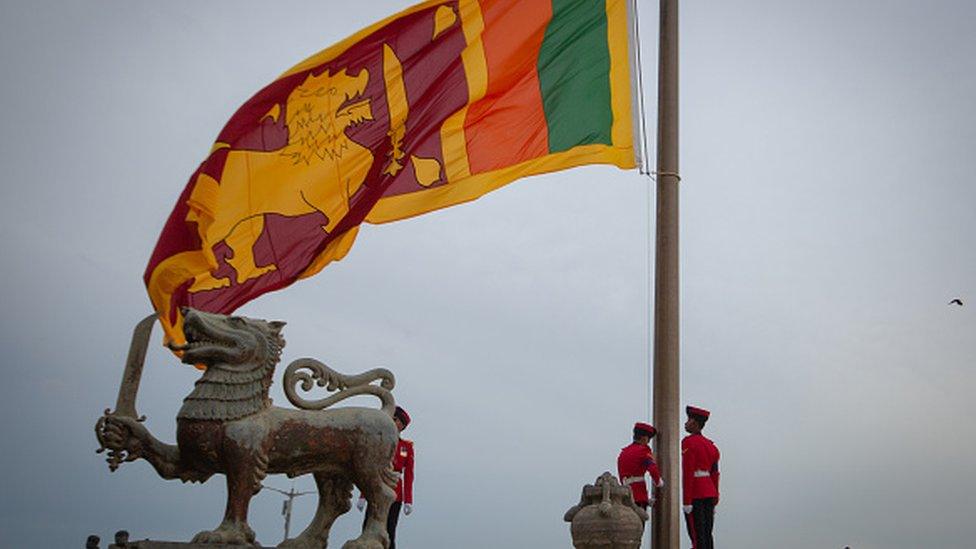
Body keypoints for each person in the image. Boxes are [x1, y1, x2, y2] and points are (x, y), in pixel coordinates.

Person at [358, 405, 414, 549]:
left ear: (402, 425)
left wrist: (408, 500)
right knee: (368, 527)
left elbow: (409, 474)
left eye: (396, 420)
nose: (393, 422)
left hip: (396, 493)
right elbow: (371, 469)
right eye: (392, 418)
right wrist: (363, 495)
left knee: (389, 530)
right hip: (377, 489)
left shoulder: (406, 447)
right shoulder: (380, 442)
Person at [682, 405, 720, 549]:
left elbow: (688, 471)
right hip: (710, 493)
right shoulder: (712, 446)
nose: (686, 423)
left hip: (696, 494)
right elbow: (715, 474)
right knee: (707, 535)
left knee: (697, 537)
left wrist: (686, 501)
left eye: (689, 420)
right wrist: (715, 497)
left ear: (695, 423)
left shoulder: (688, 442)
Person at [617, 421, 663, 510]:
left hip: (625, 495)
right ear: (644, 438)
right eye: (648, 439)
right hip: (639, 495)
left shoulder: (624, 452)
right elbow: (652, 469)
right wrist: (659, 482)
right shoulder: (643, 451)